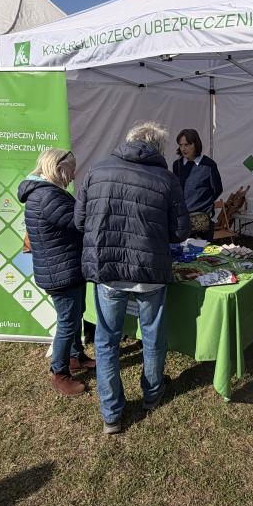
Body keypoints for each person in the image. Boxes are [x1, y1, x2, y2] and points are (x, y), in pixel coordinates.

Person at [75, 121, 190, 434]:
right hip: (150, 271)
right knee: (152, 335)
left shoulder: (97, 170)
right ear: (158, 149)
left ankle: (112, 413)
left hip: (109, 270)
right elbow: (181, 232)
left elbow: (79, 220)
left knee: (106, 340)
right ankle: (152, 394)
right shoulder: (166, 178)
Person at [17, 148, 94, 398]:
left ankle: (75, 356)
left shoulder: (44, 194)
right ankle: (59, 372)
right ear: (59, 168)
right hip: (61, 270)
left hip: (63, 266)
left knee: (75, 314)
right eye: (71, 170)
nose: (72, 176)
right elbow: (77, 224)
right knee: (67, 321)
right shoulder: (48, 196)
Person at [172, 128, 223, 241]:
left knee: (203, 256)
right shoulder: (177, 165)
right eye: (181, 145)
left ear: (196, 144)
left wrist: (202, 204)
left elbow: (217, 190)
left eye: (187, 144)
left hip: (203, 221)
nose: (183, 149)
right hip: (182, 220)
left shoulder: (209, 165)